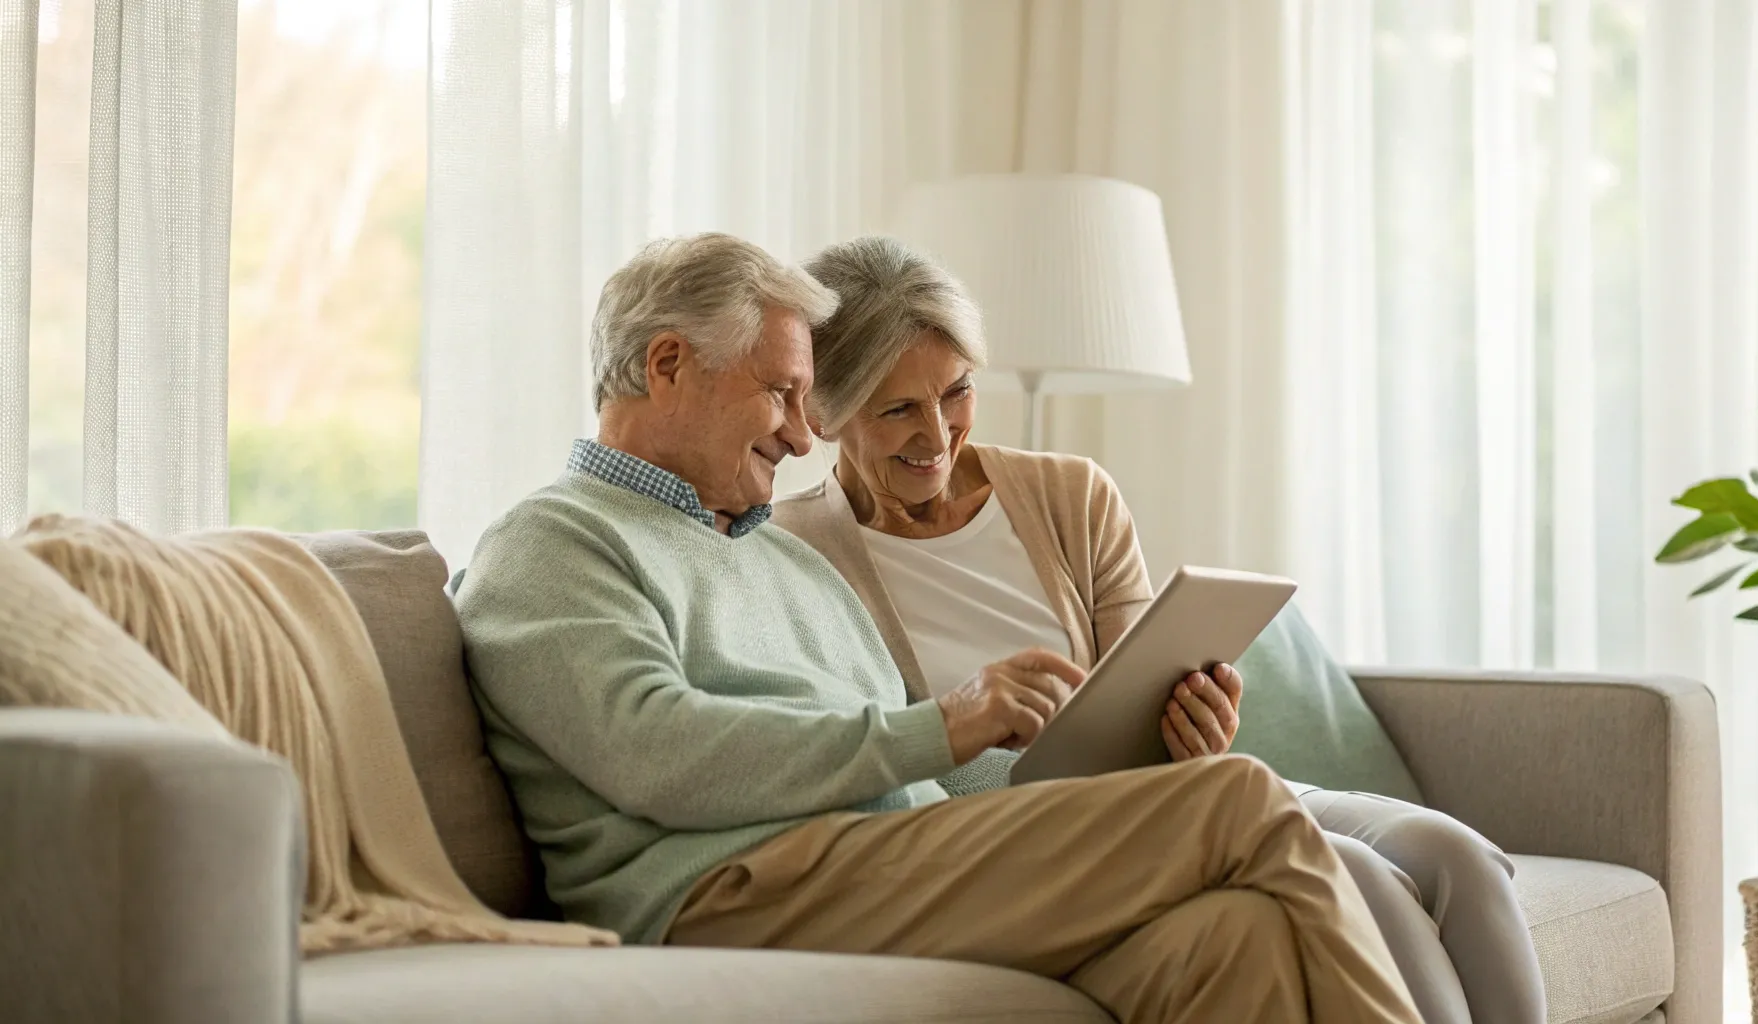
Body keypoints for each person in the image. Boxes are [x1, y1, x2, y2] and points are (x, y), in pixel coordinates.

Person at [454, 232, 1422, 1024]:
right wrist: (945, 721)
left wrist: (1078, 758)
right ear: (667, 364)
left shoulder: (778, 558)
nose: (801, 435)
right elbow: (655, 751)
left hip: (885, 866)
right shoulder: (550, 543)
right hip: (729, 894)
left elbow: (914, 779)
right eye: (783, 392)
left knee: (1232, 940)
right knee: (1233, 798)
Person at [773, 235, 1546, 1024]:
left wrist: (1196, 721)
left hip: (1185, 794)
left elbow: (1140, 679)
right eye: (898, 408)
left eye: (957, 393)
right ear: (827, 412)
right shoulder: (795, 552)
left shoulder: (1070, 495)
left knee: (1456, 857)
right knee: (1358, 875)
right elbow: (868, 763)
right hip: (1046, 839)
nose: (937, 436)